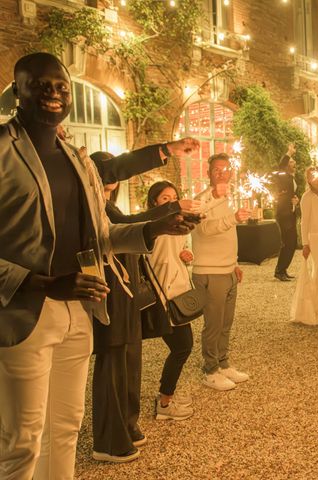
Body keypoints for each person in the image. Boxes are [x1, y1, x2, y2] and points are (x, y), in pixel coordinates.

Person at [0, 52, 197, 479]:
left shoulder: (79, 160)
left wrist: (156, 229)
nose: (53, 94)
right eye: (40, 85)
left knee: (66, 428)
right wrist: (43, 284)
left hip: (83, 308)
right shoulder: (1, 150)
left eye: (61, 86)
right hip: (24, 312)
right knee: (21, 439)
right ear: (18, 91)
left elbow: (105, 235)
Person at [90, 157, 200, 463]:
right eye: (104, 170)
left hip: (127, 296)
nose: (110, 175)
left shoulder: (109, 207)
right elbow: (123, 230)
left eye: (114, 169)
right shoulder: (94, 209)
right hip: (113, 294)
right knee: (114, 365)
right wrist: (168, 212)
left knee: (129, 364)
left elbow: (130, 229)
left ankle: (127, 425)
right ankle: (109, 441)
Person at [192, 153, 251, 391]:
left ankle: (223, 362)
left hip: (227, 270)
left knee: (226, 322)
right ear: (208, 173)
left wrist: (234, 263)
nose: (222, 173)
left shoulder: (226, 199)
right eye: (217, 170)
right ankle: (210, 369)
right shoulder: (202, 200)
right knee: (213, 324)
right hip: (209, 271)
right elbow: (205, 229)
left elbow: (227, 236)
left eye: (226, 169)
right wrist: (233, 218)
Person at [146, 181, 200, 421]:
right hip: (163, 294)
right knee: (182, 346)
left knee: (182, 346)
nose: (171, 202)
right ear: (154, 203)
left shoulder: (177, 225)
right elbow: (155, 260)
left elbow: (179, 252)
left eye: (174, 197)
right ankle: (165, 403)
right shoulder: (152, 227)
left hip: (176, 291)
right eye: (164, 198)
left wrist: (186, 256)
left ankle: (165, 397)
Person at [291, 167, 318, 324]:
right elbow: (304, 221)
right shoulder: (307, 197)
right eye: (311, 176)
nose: (315, 178)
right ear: (308, 179)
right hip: (315, 239)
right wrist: (305, 243)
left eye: (316, 175)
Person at [273, 143, 299, 282]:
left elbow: (292, 193)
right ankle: (280, 270)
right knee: (288, 242)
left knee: (292, 242)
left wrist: (296, 199)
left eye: (293, 161)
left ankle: (282, 269)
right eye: (291, 161)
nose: (294, 162)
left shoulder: (291, 177)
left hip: (291, 212)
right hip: (284, 214)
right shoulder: (283, 175)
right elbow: (280, 165)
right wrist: (289, 152)